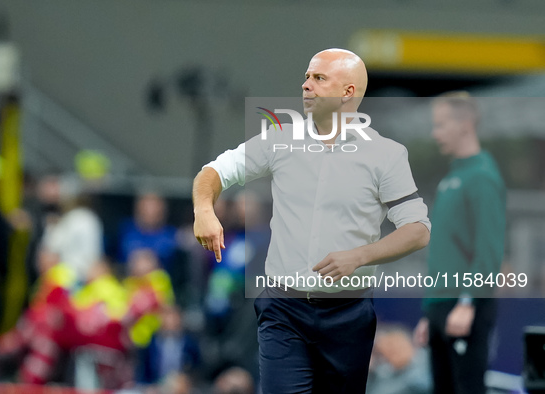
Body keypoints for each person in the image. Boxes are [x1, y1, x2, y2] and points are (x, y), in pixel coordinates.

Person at [192, 48, 431, 393]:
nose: (306, 85)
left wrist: (360, 256)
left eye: (319, 78)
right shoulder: (279, 140)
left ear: (348, 92)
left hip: (348, 314)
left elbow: (418, 230)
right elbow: (213, 172)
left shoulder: (386, 155)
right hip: (283, 309)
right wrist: (204, 210)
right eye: (306, 76)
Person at [413, 92, 506, 394]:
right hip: (442, 307)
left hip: (466, 306)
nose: (434, 133)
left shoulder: (482, 177)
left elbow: (488, 250)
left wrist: (467, 302)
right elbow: (445, 252)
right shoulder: (453, 178)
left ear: (465, 124)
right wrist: (431, 313)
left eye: (440, 125)